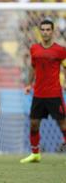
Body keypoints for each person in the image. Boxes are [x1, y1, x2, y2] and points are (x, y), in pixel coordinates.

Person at [20, 19, 66, 163]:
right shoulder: (34, 49)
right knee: (34, 123)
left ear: (53, 31)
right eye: (43, 29)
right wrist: (28, 84)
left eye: (48, 29)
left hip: (54, 93)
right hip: (38, 93)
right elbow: (33, 67)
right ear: (40, 31)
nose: (45, 32)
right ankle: (35, 154)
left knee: (63, 124)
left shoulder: (60, 50)